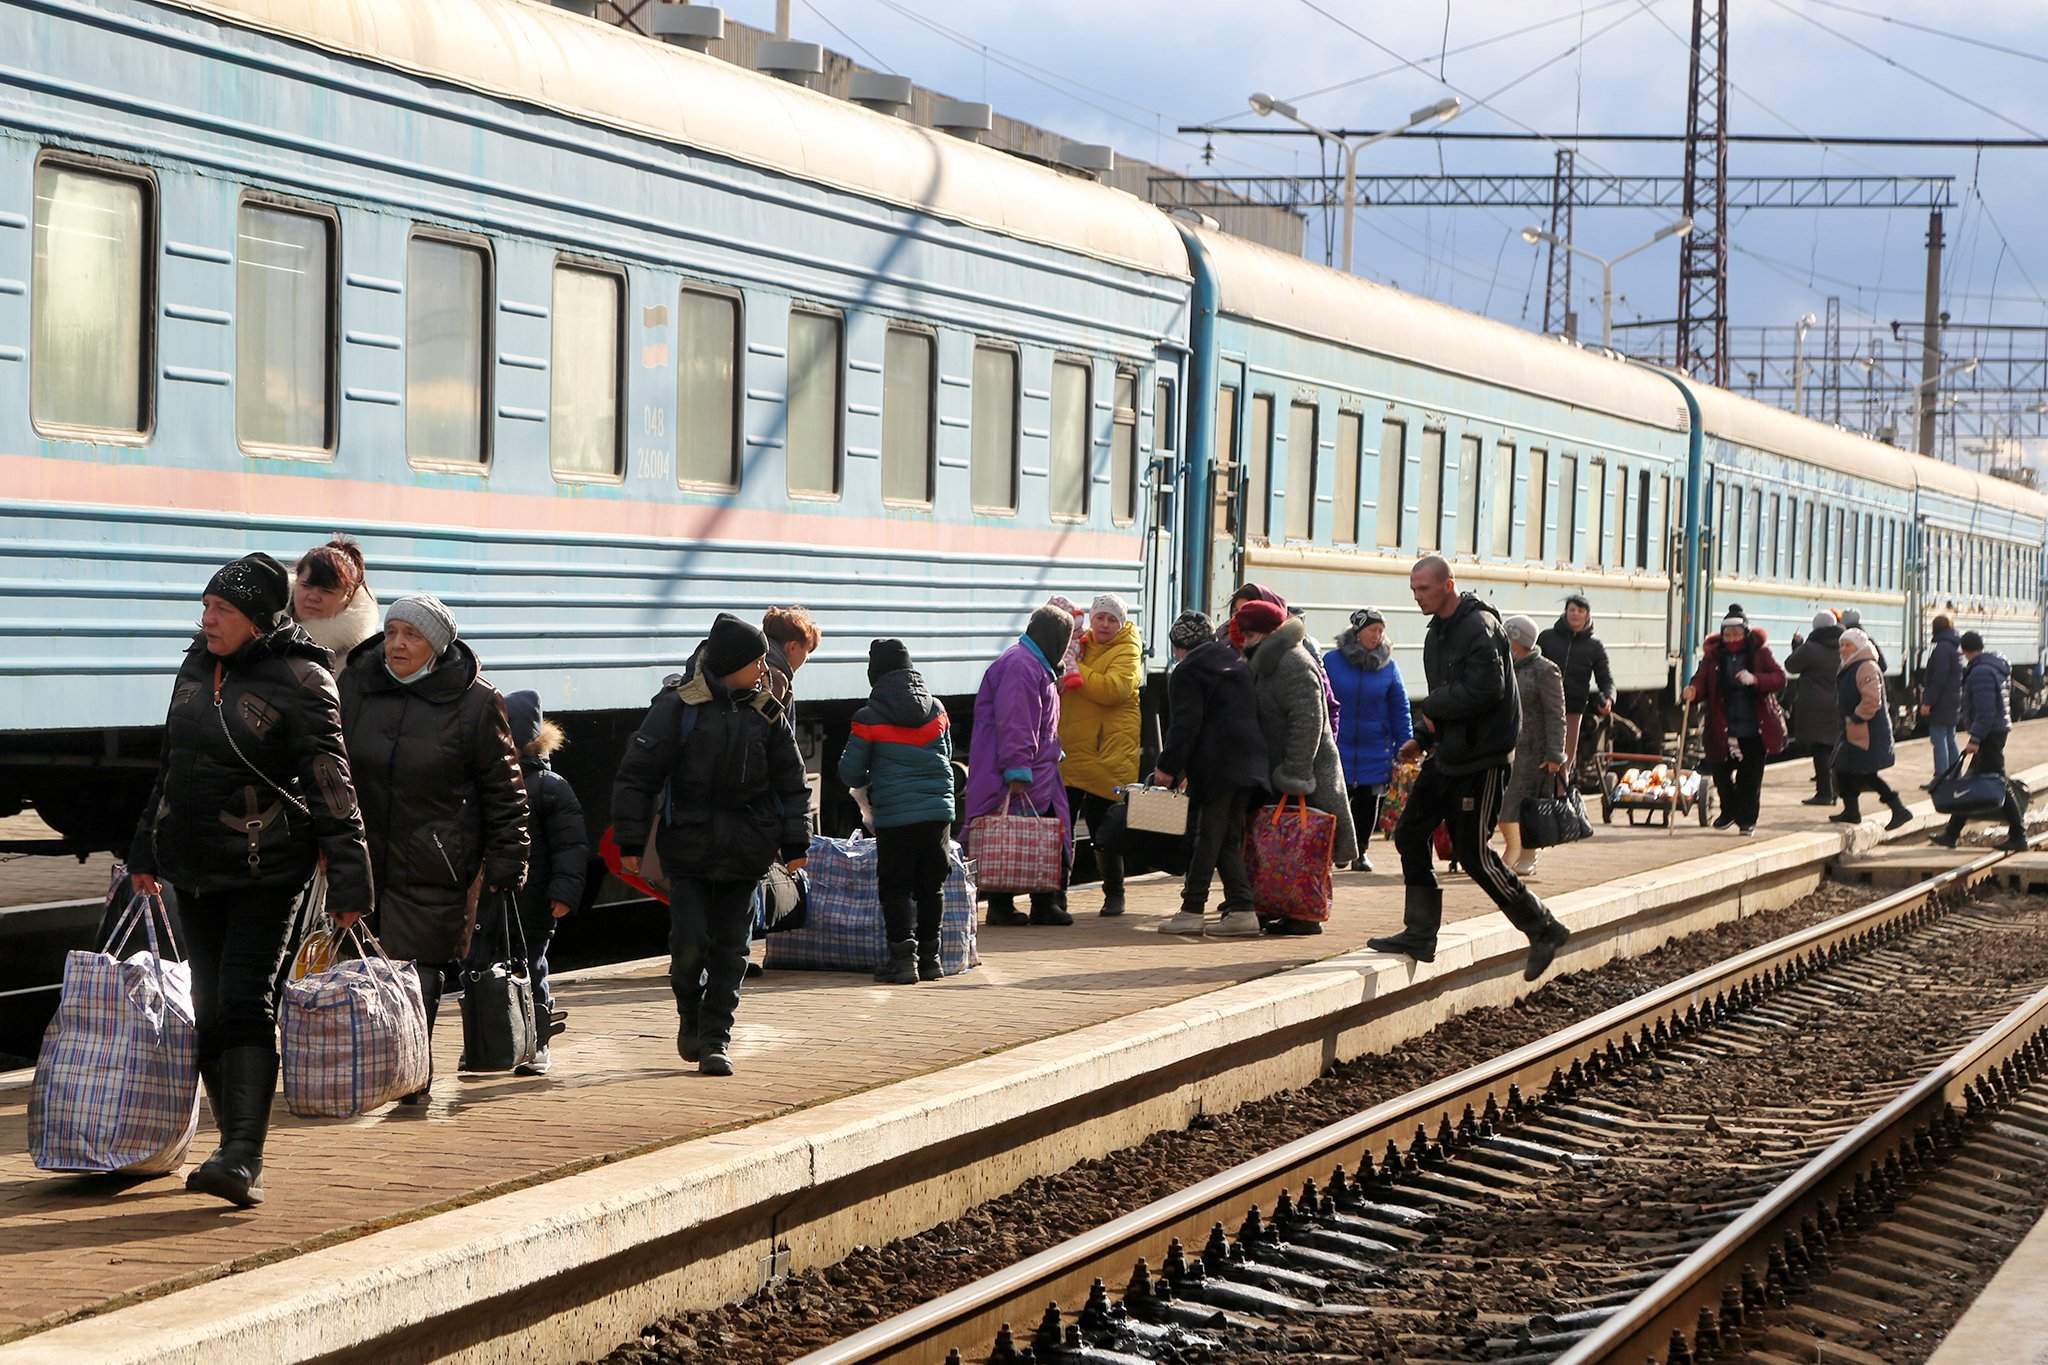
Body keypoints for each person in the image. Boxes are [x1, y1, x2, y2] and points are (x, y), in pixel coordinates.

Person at [128, 552, 373, 1207]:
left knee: (245, 1000)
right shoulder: (194, 666)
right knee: (208, 1008)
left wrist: (351, 879)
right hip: (194, 865)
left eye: (222, 611)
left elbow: (331, 782)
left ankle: (244, 1155)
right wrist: (145, 847)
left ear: (259, 620)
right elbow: (171, 764)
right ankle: (229, 1143)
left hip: (269, 869)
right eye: (205, 607)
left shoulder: (301, 677)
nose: (207, 619)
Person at [339, 595, 530, 1102]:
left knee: (417, 974)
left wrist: (510, 858)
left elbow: (504, 790)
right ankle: (367, 1067)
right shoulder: (355, 687)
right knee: (357, 970)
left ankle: (412, 1077)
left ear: (438, 646)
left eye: (412, 635)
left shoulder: (475, 702)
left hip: (436, 860)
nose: (397, 644)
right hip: (362, 856)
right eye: (393, 631)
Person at [612, 614, 812, 1074]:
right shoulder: (676, 709)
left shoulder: (766, 712)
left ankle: (716, 1037)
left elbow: (792, 782)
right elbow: (637, 776)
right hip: (689, 848)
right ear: (731, 664)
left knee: (732, 947)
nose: (764, 669)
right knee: (687, 944)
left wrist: (795, 840)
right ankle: (690, 1014)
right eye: (757, 661)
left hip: (746, 851)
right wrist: (630, 839)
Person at [1367, 556, 1570, 979]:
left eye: (1423, 589)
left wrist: (1431, 708)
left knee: (1473, 853)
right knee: (1409, 833)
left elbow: (1485, 689)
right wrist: (1421, 739)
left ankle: (1544, 928)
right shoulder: (1438, 633)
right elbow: (1446, 696)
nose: (1416, 597)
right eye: (1413, 589)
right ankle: (1420, 933)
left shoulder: (1479, 628)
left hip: (1482, 759)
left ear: (1448, 585)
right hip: (1450, 754)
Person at [462, 691, 586, 1075]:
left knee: (529, 967)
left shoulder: (550, 787)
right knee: (478, 967)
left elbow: (571, 845)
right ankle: (485, 1044)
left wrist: (564, 890)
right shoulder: (483, 784)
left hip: (532, 899)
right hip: (489, 896)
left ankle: (537, 1043)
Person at [1237, 598, 1358, 934]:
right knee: (1281, 846)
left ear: (1263, 633)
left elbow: (1309, 719)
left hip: (1305, 772)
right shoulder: (1267, 660)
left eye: (1247, 633)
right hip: (1281, 767)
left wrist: (1295, 773)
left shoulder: (1292, 661)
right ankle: (1279, 903)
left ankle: (1305, 914)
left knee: (1304, 847)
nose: (1242, 639)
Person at [839, 639, 955, 983]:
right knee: (931, 885)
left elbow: (850, 772)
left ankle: (903, 962)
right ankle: (932, 960)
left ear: (875, 673)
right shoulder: (936, 709)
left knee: (896, 886)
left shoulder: (869, 717)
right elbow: (945, 755)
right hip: (937, 813)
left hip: (895, 815)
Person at [1152, 611, 1267, 936]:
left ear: (1178, 647)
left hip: (1217, 766)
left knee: (1208, 837)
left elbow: (1185, 724)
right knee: (1226, 838)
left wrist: (1167, 767)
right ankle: (1243, 909)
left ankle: (1192, 909)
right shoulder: (1234, 662)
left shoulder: (1188, 670)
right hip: (1249, 763)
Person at [964, 604, 1078, 927]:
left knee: (1029, 836)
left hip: (1038, 768)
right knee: (1025, 835)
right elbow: (1016, 722)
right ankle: (1026, 903)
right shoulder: (1023, 667)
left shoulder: (1031, 664)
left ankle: (1029, 903)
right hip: (1019, 771)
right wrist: (1017, 769)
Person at [1058, 593, 1142, 917]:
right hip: (1074, 751)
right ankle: (1057, 896)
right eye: (1100, 618)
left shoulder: (1127, 649)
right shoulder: (1080, 643)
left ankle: (1114, 894)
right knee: (1063, 829)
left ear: (1120, 624)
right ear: (1091, 619)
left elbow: (1115, 689)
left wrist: (1078, 670)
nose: (1105, 624)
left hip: (1106, 754)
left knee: (1104, 830)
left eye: (1111, 619)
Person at [1681, 607, 1787, 837]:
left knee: (1750, 778)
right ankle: (1728, 811)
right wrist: (1693, 690)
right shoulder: (1713, 658)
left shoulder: (1760, 654)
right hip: (1722, 724)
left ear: (1746, 634)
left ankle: (1747, 820)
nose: (1731, 639)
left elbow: (1780, 678)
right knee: (1719, 771)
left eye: (1736, 634)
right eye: (1727, 635)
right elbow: (1701, 680)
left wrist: (1756, 679)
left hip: (1754, 726)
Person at [1324, 608, 1411, 873]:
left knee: (1368, 801)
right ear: (1357, 632)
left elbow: (1400, 706)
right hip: (1340, 743)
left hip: (1375, 746)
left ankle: (1360, 852)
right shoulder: (1332, 661)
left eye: (1381, 631)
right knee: (1338, 800)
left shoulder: (1389, 666)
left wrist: (1405, 741)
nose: (1378, 636)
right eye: (1373, 630)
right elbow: (1323, 701)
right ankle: (1339, 850)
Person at [1930, 631, 2028, 851]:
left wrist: (1976, 738)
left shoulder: (1981, 672)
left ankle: (2019, 835)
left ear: (1964, 651)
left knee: (1998, 781)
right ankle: (1952, 833)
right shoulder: (1989, 667)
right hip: (1994, 730)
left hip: (1989, 733)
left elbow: (1985, 710)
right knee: (1971, 780)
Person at [1499, 615, 1567, 877]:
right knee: (1506, 805)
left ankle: (1523, 854)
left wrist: (1555, 754)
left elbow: (1556, 714)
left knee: (1524, 806)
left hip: (1534, 750)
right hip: (1507, 745)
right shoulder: (1506, 666)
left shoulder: (1545, 670)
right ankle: (1514, 851)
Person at [1827, 628, 1913, 831]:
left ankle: (1898, 808)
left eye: (1848, 645)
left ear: (1859, 646)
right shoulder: (1851, 665)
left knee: (1864, 773)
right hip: (1854, 728)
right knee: (1844, 769)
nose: (1843, 649)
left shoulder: (1865, 667)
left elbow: (1872, 699)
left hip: (1867, 730)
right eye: (1841, 645)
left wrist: (1857, 716)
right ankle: (1852, 811)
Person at [1535, 594, 1613, 782]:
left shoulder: (1594, 646)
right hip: (1542, 706)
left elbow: (1605, 678)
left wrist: (1609, 698)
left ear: (1587, 615)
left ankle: (1562, 799)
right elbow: (1532, 665)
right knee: (1538, 756)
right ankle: (1537, 801)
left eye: (1580, 611)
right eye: (1571, 610)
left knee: (1565, 760)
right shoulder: (1546, 638)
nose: (1575, 614)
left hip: (1572, 709)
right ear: (1565, 612)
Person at [1784, 610, 1845, 807]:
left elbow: (1791, 665)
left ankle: (1824, 793)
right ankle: (1835, 791)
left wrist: (1796, 646)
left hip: (1815, 705)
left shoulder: (1810, 648)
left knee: (1820, 750)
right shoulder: (1844, 646)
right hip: (1839, 702)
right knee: (1834, 749)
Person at [291, 536, 380, 669]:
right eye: (306, 586)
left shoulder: (358, 660)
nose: (313, 597)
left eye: (326, 591)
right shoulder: (261, 632)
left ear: (348, 596)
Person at [1920, 615, 1964, 779]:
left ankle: (1941, 777)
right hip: (1952, 699)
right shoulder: (1953, 647)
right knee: (1950, 738)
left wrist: (1928, 702)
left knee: (1938, 739)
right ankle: (1954, 774)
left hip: (1941, 701)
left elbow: (1938, 679)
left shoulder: (1942, 649)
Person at [760, 605, 820, 717]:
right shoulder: (777, 678)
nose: (807, 659)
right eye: (807, 651)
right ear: (792, 647)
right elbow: (767, 724)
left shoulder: (759, 667)